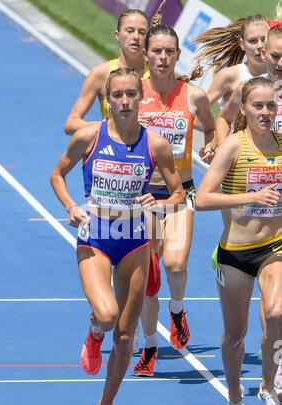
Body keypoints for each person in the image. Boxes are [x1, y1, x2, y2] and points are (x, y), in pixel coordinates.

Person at [50, 67, 185, 405]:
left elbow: (178, 195)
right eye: (117, 96)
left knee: (126, 336)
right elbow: (57, 175)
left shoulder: (155, 144)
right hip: (95, 236)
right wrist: (70, 207)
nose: (125, 102)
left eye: (131, 95)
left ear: (140, 98)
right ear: (107, 100)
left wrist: (160, 206)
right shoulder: (89, 137)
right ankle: (94, 333)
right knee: (107, 315)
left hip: (135, 240)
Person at [196, 77, 282, 405]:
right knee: (235, 337)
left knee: (277, 311)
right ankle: (234, 404)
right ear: (244, 109)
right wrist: (250, 198)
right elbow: (201, 199)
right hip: (234, 255)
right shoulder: (233, 146)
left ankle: (267, 385)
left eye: (270, 106)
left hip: (275, 246)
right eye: (258, 106)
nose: (265, 112)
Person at [133, 24, 216, 377]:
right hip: (143, 195)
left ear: (178, 55)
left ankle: (178, 308)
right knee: (149, 277)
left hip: (182, 190)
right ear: (147, 55)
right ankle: (150, 346)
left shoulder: (193, 96)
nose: (163, 58)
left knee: (176, 265)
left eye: (170, 52)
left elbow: (212, 128)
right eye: (157, 52)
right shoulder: (133, 93)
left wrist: (210, 144)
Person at [64, 9, 150, 135]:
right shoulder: (101, 74)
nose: (136, 37)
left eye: (142, 32)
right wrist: (110, 125)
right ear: (117, 35)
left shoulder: (156, 74)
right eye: (130, 31)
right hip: (112, 151)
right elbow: (71, 124)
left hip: (148, 151)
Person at [194, 14, 269, 109]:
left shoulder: (278, 74)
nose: (260, 46)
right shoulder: (229, 75)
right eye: (252, 41)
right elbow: (199, 114)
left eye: (264, 39)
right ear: (242, 44)